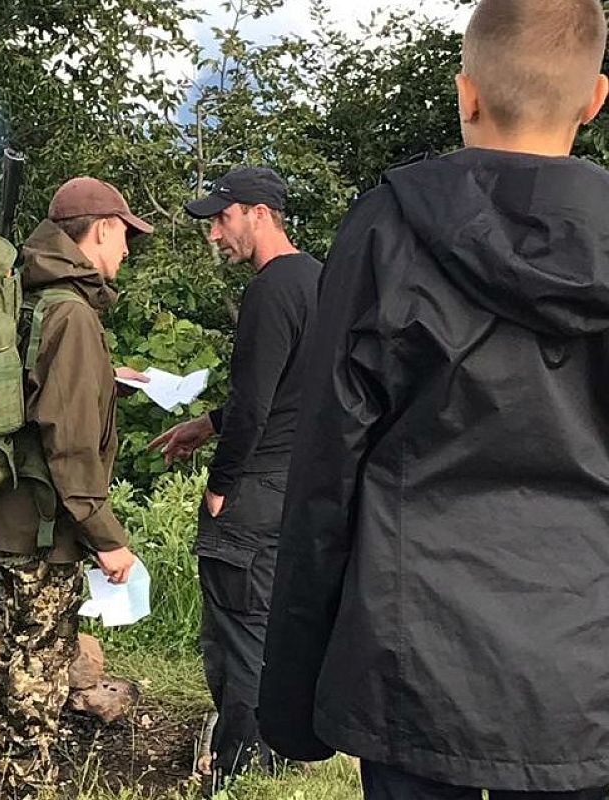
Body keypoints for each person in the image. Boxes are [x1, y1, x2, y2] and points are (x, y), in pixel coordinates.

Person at [258, 1, 609, 798]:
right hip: (586, 677)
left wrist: (291, 695)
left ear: (466, 94)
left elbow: (322, 474)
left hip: (412, 663)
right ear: (595, 101)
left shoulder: (387, 230)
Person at [0, 176, 151, 785]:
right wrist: (106, 537)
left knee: (25, 651)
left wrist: (104, 377)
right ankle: (21, 783)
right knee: (35, 668)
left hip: (15, 512)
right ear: (99, 232)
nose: (126, 250)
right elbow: (66, 444)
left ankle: (18, 777)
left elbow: (34, 391)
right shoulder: (70, 314)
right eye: (124, 236)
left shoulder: (34, 298)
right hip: (42, 524)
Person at [147, 166, 321, 786]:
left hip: (253, 493)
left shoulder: (271, 289)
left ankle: (237, 766)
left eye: (221, 219)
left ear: (259, 213)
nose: (214, 234)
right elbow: (298, 390)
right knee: (270, 625)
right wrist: (206, 423)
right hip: (297, 490)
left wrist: (221, 485)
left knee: (236, 635)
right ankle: (272, 750)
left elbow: (255, 403)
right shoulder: (321, 281)